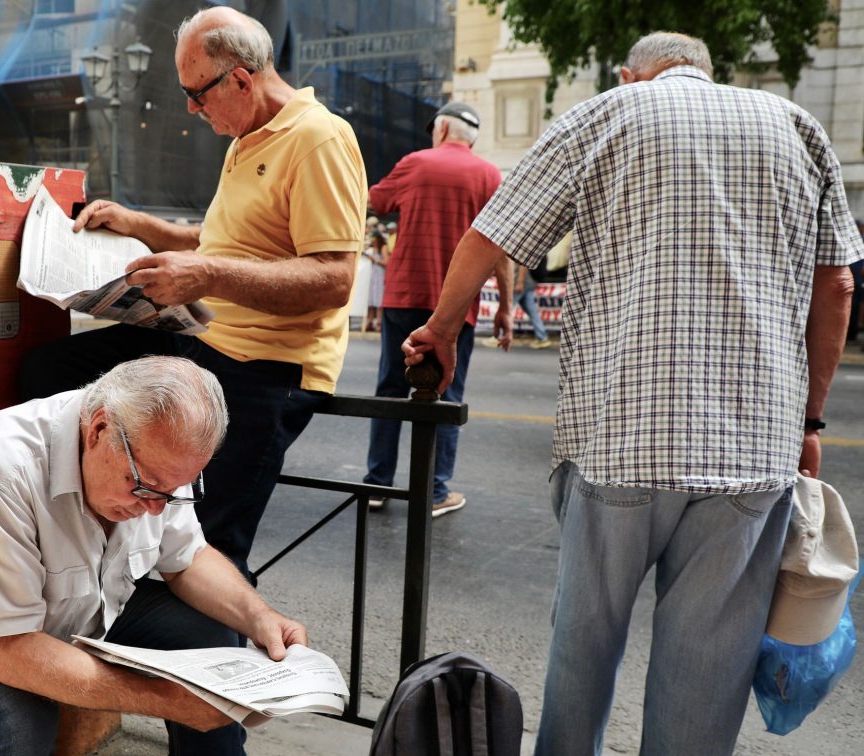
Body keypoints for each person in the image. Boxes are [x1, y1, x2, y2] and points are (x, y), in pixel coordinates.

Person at [403, 32, 862, 755]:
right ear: (708, 72)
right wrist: (810, 419)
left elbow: (493, 235)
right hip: (752, 449)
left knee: (583, 647)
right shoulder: (797, 126)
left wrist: (441, 329)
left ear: (630, 74)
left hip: (620, 438)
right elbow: (836, 284)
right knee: (706, 671)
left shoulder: (608, 112)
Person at [17, 7, 366, 578]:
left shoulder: (318, 138)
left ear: (241, 80)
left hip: (263, 365)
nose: (190, 108)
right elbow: (219, 241)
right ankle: (86, 539)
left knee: (207, 548)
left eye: (196, 93)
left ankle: (211, 625)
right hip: (199, 338)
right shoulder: (244, 137)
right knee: (50, 372)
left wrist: (207, 276)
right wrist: (140, 225)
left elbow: (333, 278)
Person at [0, 357, 308, 755]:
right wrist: (167, 700)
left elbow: (188, 558)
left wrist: (259, 617)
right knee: (22, 731)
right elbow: (11, 653)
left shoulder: (156, 458)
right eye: (145, 487)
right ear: (98, 430)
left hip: (81, 609)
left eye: (173, 491)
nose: (156, 508)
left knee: (212, 635)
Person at [364, 100, 511, 517]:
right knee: (447, 394)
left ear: (442, 130)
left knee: (390, 391)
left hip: (404, 296)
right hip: (457, 306)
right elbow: (499, 248)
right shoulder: (489, 175)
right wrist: (504, 305)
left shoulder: (415, 163)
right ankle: (435, 491)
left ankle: (376, 485)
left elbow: (375, 201)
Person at [513, 262, 551, 347]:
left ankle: (499, 336)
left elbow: (523, 265)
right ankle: (542, 337)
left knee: (506, 309)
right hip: (526, 283)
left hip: (519, 284)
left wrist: (520, 282)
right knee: (532, 311)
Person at [361, 230, 389, 332]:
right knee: (371, 298)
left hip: (379, 275)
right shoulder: (371, 248)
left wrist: (374, 259)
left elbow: (386, 262)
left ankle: (379, 322)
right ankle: (370, 321)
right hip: (371, 275)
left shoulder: (383, 247)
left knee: (378, 298)